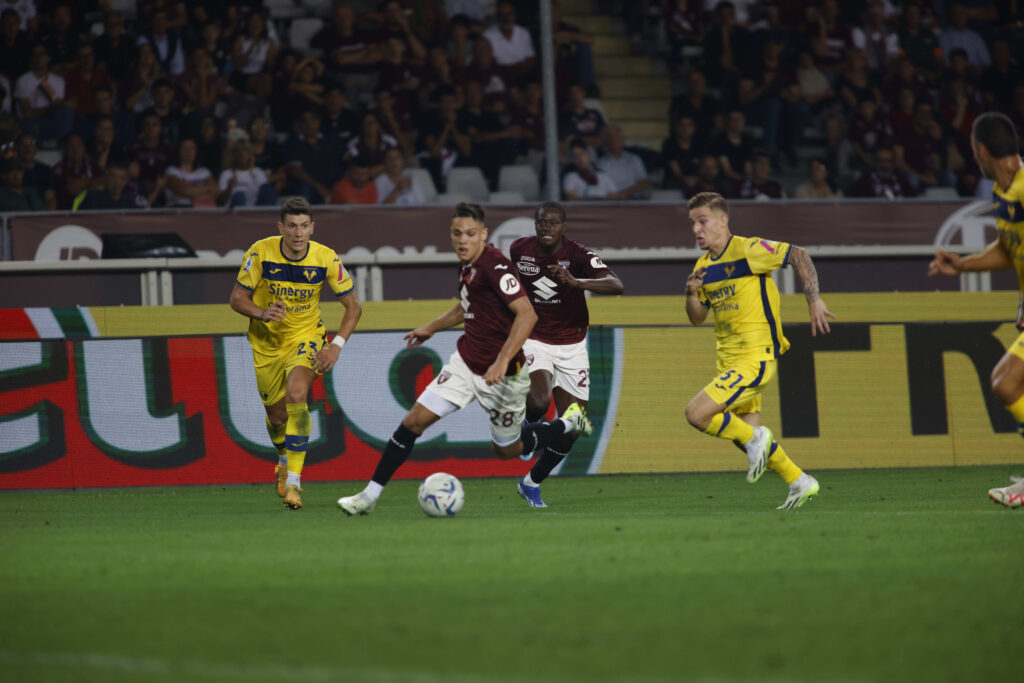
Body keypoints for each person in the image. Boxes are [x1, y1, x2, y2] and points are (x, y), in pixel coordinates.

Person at [337, 203, 592, 516]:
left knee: (506, 450)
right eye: (457, 233)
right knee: (413, 421)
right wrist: (430, 327)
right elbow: (464, 305)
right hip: (465, 365)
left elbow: (527, 315)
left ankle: (567, 423)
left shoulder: (495, 266)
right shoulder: (467, 265)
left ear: (483, 235)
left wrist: (501, 360)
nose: (463, 240)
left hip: (504, 378)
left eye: (471, 234)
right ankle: (368, 497)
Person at [684, 191, 834, 509]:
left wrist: (814, 299)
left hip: (755, 356)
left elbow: (799, 254)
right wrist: (691, 294)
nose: (696, 229)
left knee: (697, 414)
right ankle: (799, 481)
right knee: (748, 440)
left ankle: (758, 440)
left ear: (723, 220)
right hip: (728, 360)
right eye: (692, 223)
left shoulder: (748, 249)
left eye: (702, 221)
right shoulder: (703, 267)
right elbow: (698, 319)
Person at [229, 197, 362, 510]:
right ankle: (282, 462)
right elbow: (236, 299)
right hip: (266, 343)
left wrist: (335, 346)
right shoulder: (260, 252)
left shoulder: (325, 258)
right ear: (281, 228)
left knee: (297, 394)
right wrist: (262, 313)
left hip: (306, 337)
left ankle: (294, 484)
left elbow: (353, 307)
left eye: (304, 226)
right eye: (292, 226)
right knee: (276, 418)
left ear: (312, 228)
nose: (298, 233)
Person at [927, 112, 1024, 508]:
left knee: (1006, 382)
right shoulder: (1004, 193)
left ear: (980, 150)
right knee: (1005, 382)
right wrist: (963, 264)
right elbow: (1007, 249)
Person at [511, 202, 623, 507]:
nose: (547, 228)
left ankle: (531, 484)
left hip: (573, 345)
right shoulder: (519, 251)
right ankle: (526, 429)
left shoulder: (579, 255)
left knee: (573, 426)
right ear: (535, 225)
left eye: (553, 223)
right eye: (541, 223)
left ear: (564, 226)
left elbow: (617, 284)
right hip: (535, 338)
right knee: (538, 399)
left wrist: (577, 283)